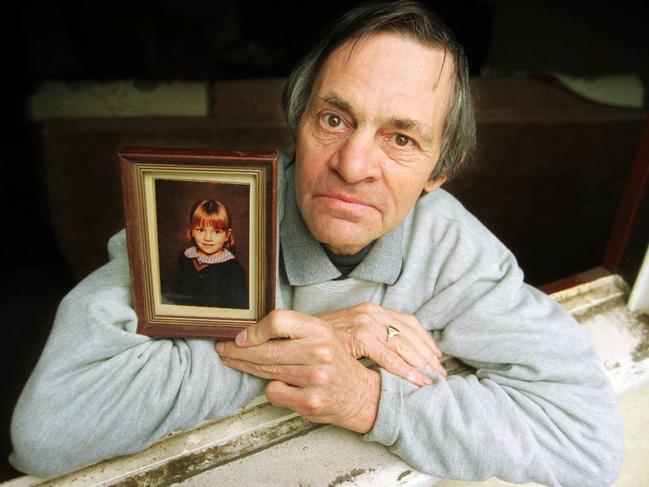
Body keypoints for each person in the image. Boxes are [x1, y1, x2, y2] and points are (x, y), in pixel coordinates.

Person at [10, 2, 623, 485]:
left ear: (441, 169)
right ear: (297, 122)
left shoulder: (455, 249)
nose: (353, 165)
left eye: (401, 139)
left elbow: (587, 444)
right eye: (334, 120)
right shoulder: (200, 209)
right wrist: (322, 338)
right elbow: (50, 429)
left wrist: (370, 400)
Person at [165, 198, 248, 309]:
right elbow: (176, 294)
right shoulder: (186, 257)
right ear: (192, 231)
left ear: (227, 235)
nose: (208, 238)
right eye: (200, 230)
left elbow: (239, 306)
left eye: (217, 232)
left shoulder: (232, 268)